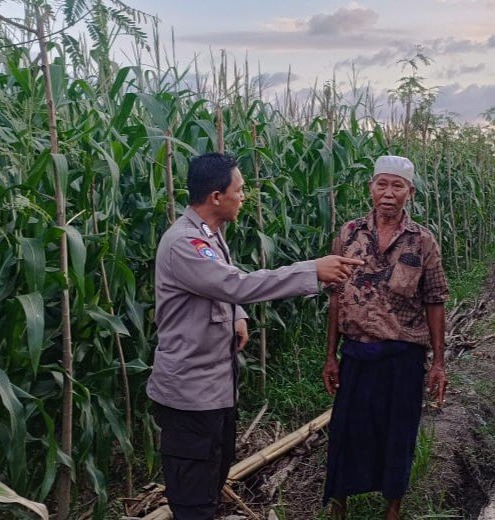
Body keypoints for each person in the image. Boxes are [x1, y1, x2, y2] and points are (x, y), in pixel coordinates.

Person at [147, 152, 362, 520]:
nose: (243, 197)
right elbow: (233, 283)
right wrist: (312, 270)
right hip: (189, 397)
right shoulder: (185, 242)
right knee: (193, 500)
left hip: (214, 392)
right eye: (240, 189)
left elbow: (218, 281)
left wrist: (238, 314)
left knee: (210, 485)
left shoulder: (207, 236)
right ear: (216, 197)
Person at [322, 155, 449, 520]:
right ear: (371, 188)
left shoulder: (422, 241)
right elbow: (336, 296)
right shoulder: (348, 235)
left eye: (397, 186)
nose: (388, 193)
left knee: (398, 435)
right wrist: (331, 355)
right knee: (347, 434)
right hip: (357, 353)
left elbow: (435, 299)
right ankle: (338, 507)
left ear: (409, 192)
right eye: (382, 184)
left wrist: (438, 363)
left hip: (403, 357)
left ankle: (392, 509)